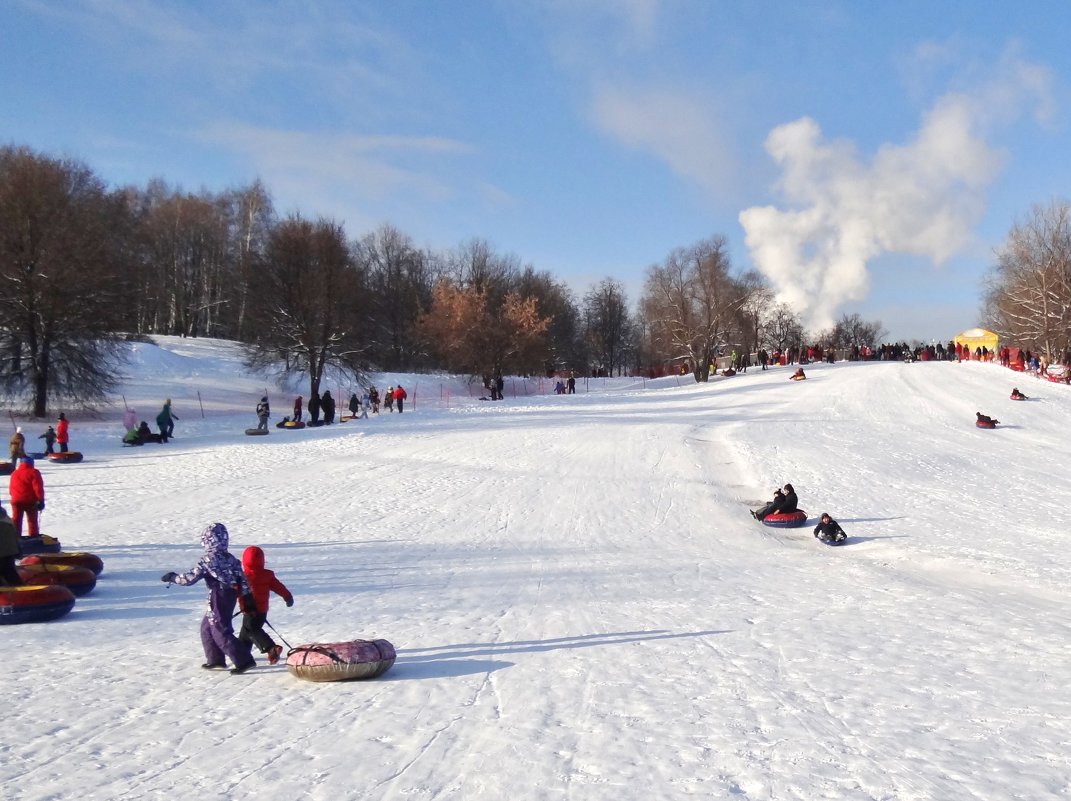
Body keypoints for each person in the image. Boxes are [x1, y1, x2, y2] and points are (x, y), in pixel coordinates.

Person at [160, 523, 256, 675]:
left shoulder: (207, 560)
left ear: (207, 541)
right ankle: (215, 659)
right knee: (206, 627)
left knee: (219, 629)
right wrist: (247, 596)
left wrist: (173, 577)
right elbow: (242, 579)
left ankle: (244, 660)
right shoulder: (231, 559)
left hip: (219, 595)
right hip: (230, 595)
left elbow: (189, 579)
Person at [238, 545, 294, 665]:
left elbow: (237, 593)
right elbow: (279, 587)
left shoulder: (243, 577)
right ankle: (242, 653)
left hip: (250, 610)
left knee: (252, 630)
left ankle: (271, 648)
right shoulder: (267, 575)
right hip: (262, 611)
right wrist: (287, 596)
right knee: (245, 632)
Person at [9, 456, 45, 538]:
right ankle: (33, 538)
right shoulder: (34, 472)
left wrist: (14, 496)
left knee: (16, 520)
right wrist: (41, 500)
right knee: (32, 520)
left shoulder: (14, 473)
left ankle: (15, 539)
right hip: (30, 500)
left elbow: (11, 488)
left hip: (16, 500)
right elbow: (38, 488)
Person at [0, 506, 22, 586]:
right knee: (10, 573)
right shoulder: (5, 517)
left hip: (4, 551)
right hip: (10, 550)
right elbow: (14, 534)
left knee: (7, 572)